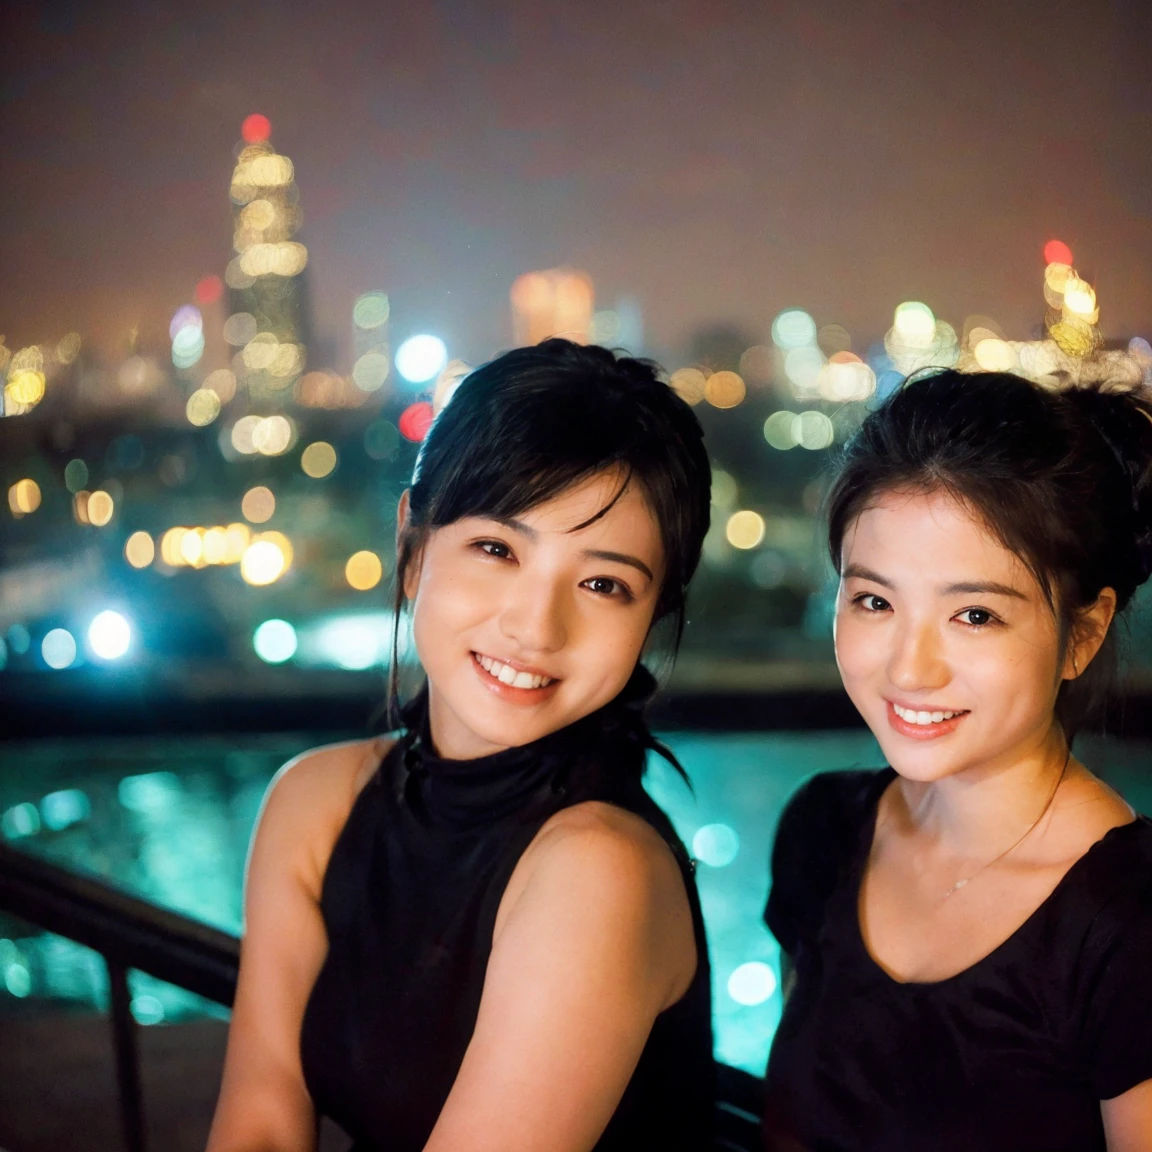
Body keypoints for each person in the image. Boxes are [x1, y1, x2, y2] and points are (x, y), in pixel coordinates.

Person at [206, 338, 715, 1152]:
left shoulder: (597, 871)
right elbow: (261, 1124)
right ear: (413, 545)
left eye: (603, 584)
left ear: (650, 617)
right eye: (497, 549)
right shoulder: (316, 802)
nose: (535, 626)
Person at [761, 368, 1152, 1151]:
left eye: (974, 615)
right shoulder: (825, 829)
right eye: (874, 600)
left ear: (1083, 632)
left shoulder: (1128, 923)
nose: (911, 669)